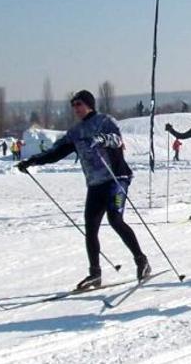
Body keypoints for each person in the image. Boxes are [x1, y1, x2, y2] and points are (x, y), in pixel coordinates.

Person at [16, 90, 150, 289]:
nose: (76, 109)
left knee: (115, 220)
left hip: (116, 179)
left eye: (79, 104)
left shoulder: (105, 121)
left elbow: (117, 140)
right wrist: (32, 161)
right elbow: (56, 152)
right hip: (95, 184)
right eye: (74, 105)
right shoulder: (75, 132)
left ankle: (142, 261)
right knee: (91, 228)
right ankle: (95, 274)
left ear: (89, 104)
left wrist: (102, 139)